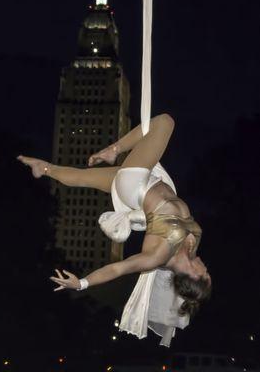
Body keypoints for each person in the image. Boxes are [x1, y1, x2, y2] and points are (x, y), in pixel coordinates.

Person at [17, 113, 211, 345]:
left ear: (193, 275)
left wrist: (82, 283)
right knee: (83, 178)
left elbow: (118, 269)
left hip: (136, 186)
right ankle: (44, 168)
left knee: (165, 122)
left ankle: (113, 149)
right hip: (155, 179)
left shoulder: (158, 256)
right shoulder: (192, 247)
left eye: (205, 274)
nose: (207, 268)